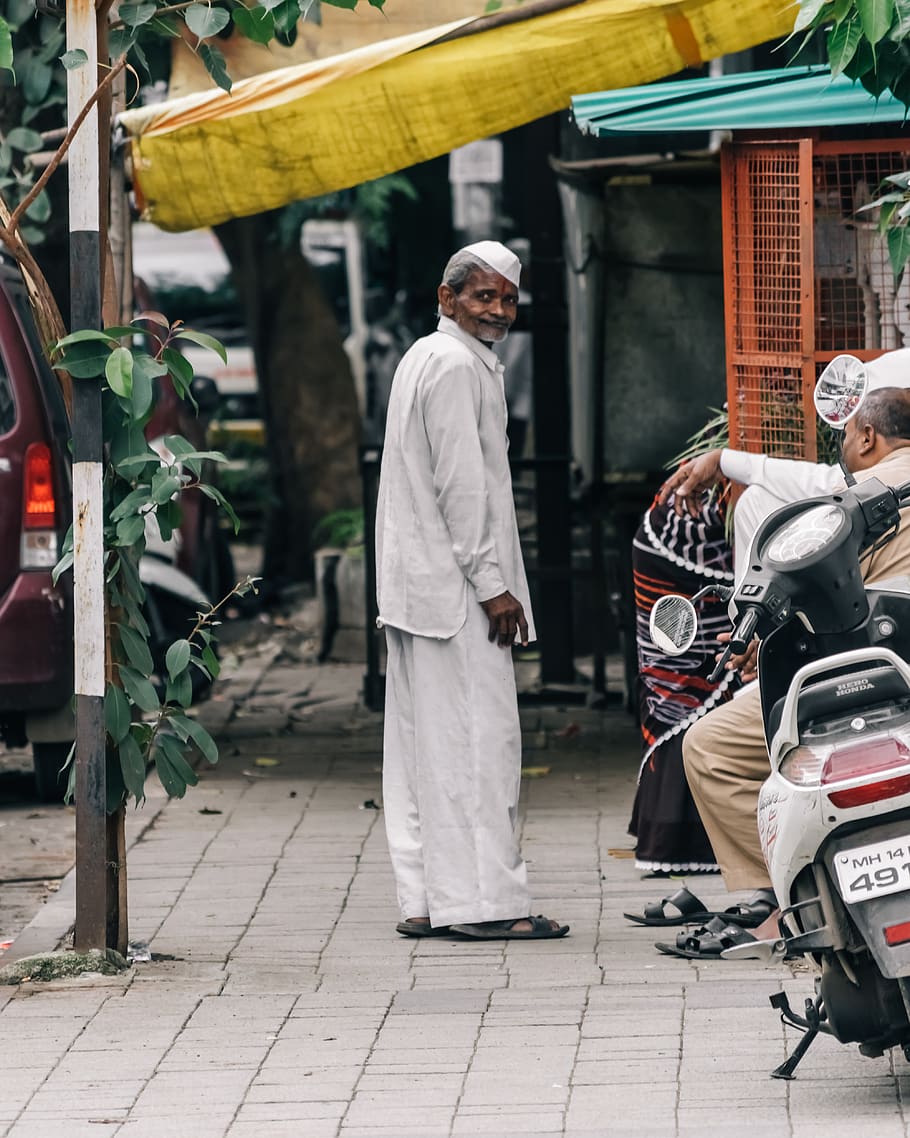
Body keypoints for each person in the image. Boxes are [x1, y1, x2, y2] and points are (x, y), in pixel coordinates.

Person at [652, 387, 910, 958]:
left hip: (860, 669)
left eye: (845, 437)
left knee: (710, 746)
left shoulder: (853, 493)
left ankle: (778, 906)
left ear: (867, 437)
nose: (840, 451)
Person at [375, 239, 568, 942]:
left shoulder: (430, 357)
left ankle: (426, 899)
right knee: (477, 748)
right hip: (454, 596)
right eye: (483, 296)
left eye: (507, 298)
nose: (497, 310)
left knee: (424, 749)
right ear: (447, 297)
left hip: (418, 588)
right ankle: (486, 906)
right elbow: (463, 490)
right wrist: (494, 587)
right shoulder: (455, 365)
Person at [627, 489, 735, 877]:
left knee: (694, 685)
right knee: (680, 685)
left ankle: (684, 840)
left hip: (687, 544)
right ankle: (678, 839)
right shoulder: (733, 466)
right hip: (682, 551)